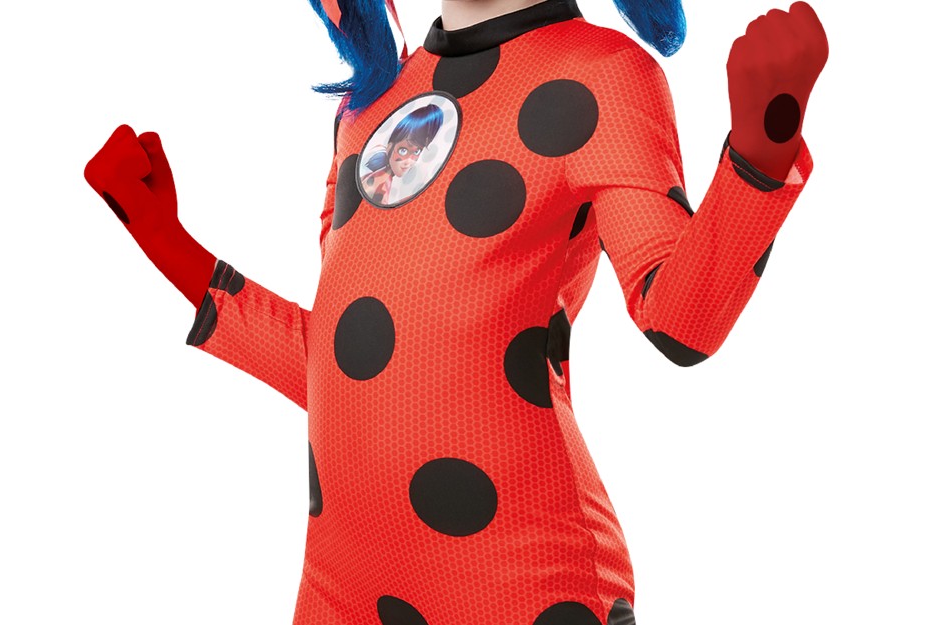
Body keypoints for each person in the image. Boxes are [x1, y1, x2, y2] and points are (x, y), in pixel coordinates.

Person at [82, 1, 828, 623]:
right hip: (340, 586)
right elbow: (345, 361)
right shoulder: (367, 106)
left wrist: (762, 150)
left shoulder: (602, 74)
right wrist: (168, 243)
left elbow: (680, 320)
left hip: (519, 582)